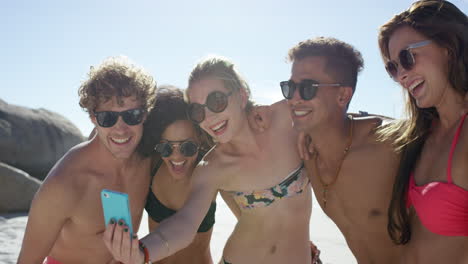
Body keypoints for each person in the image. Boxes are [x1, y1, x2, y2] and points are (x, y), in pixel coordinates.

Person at [104, 56, 316, 264]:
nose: (209, 117)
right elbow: (186, 223)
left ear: (241, 97)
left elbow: (336, 121)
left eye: (216, 101)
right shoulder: (211, 167)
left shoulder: (284, 119)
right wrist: (142, 252)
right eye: (198, 111)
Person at [17, 56, 156, 264]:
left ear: (145, 114)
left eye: (132, 115)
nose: (120, 128)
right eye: (107, 118)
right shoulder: (64, 184)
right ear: (93, 118)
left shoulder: (148, 159)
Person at [284, 37, 403, 263]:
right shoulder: (308, 152)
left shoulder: (388, 146)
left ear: (343, 95)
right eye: (289, 87)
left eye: (308, 88)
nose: (294, 98)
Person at [378, 1, 468, 263]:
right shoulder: (422, 133)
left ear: (448, 47)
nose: (401, 76)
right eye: (392, 67)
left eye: (407, 57)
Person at [136, 85, 216, 264]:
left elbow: (249, 218)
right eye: (166, 147)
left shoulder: (212, 169)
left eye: (188, 147)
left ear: (200, 139)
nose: (176, 156)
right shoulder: (150, 166)